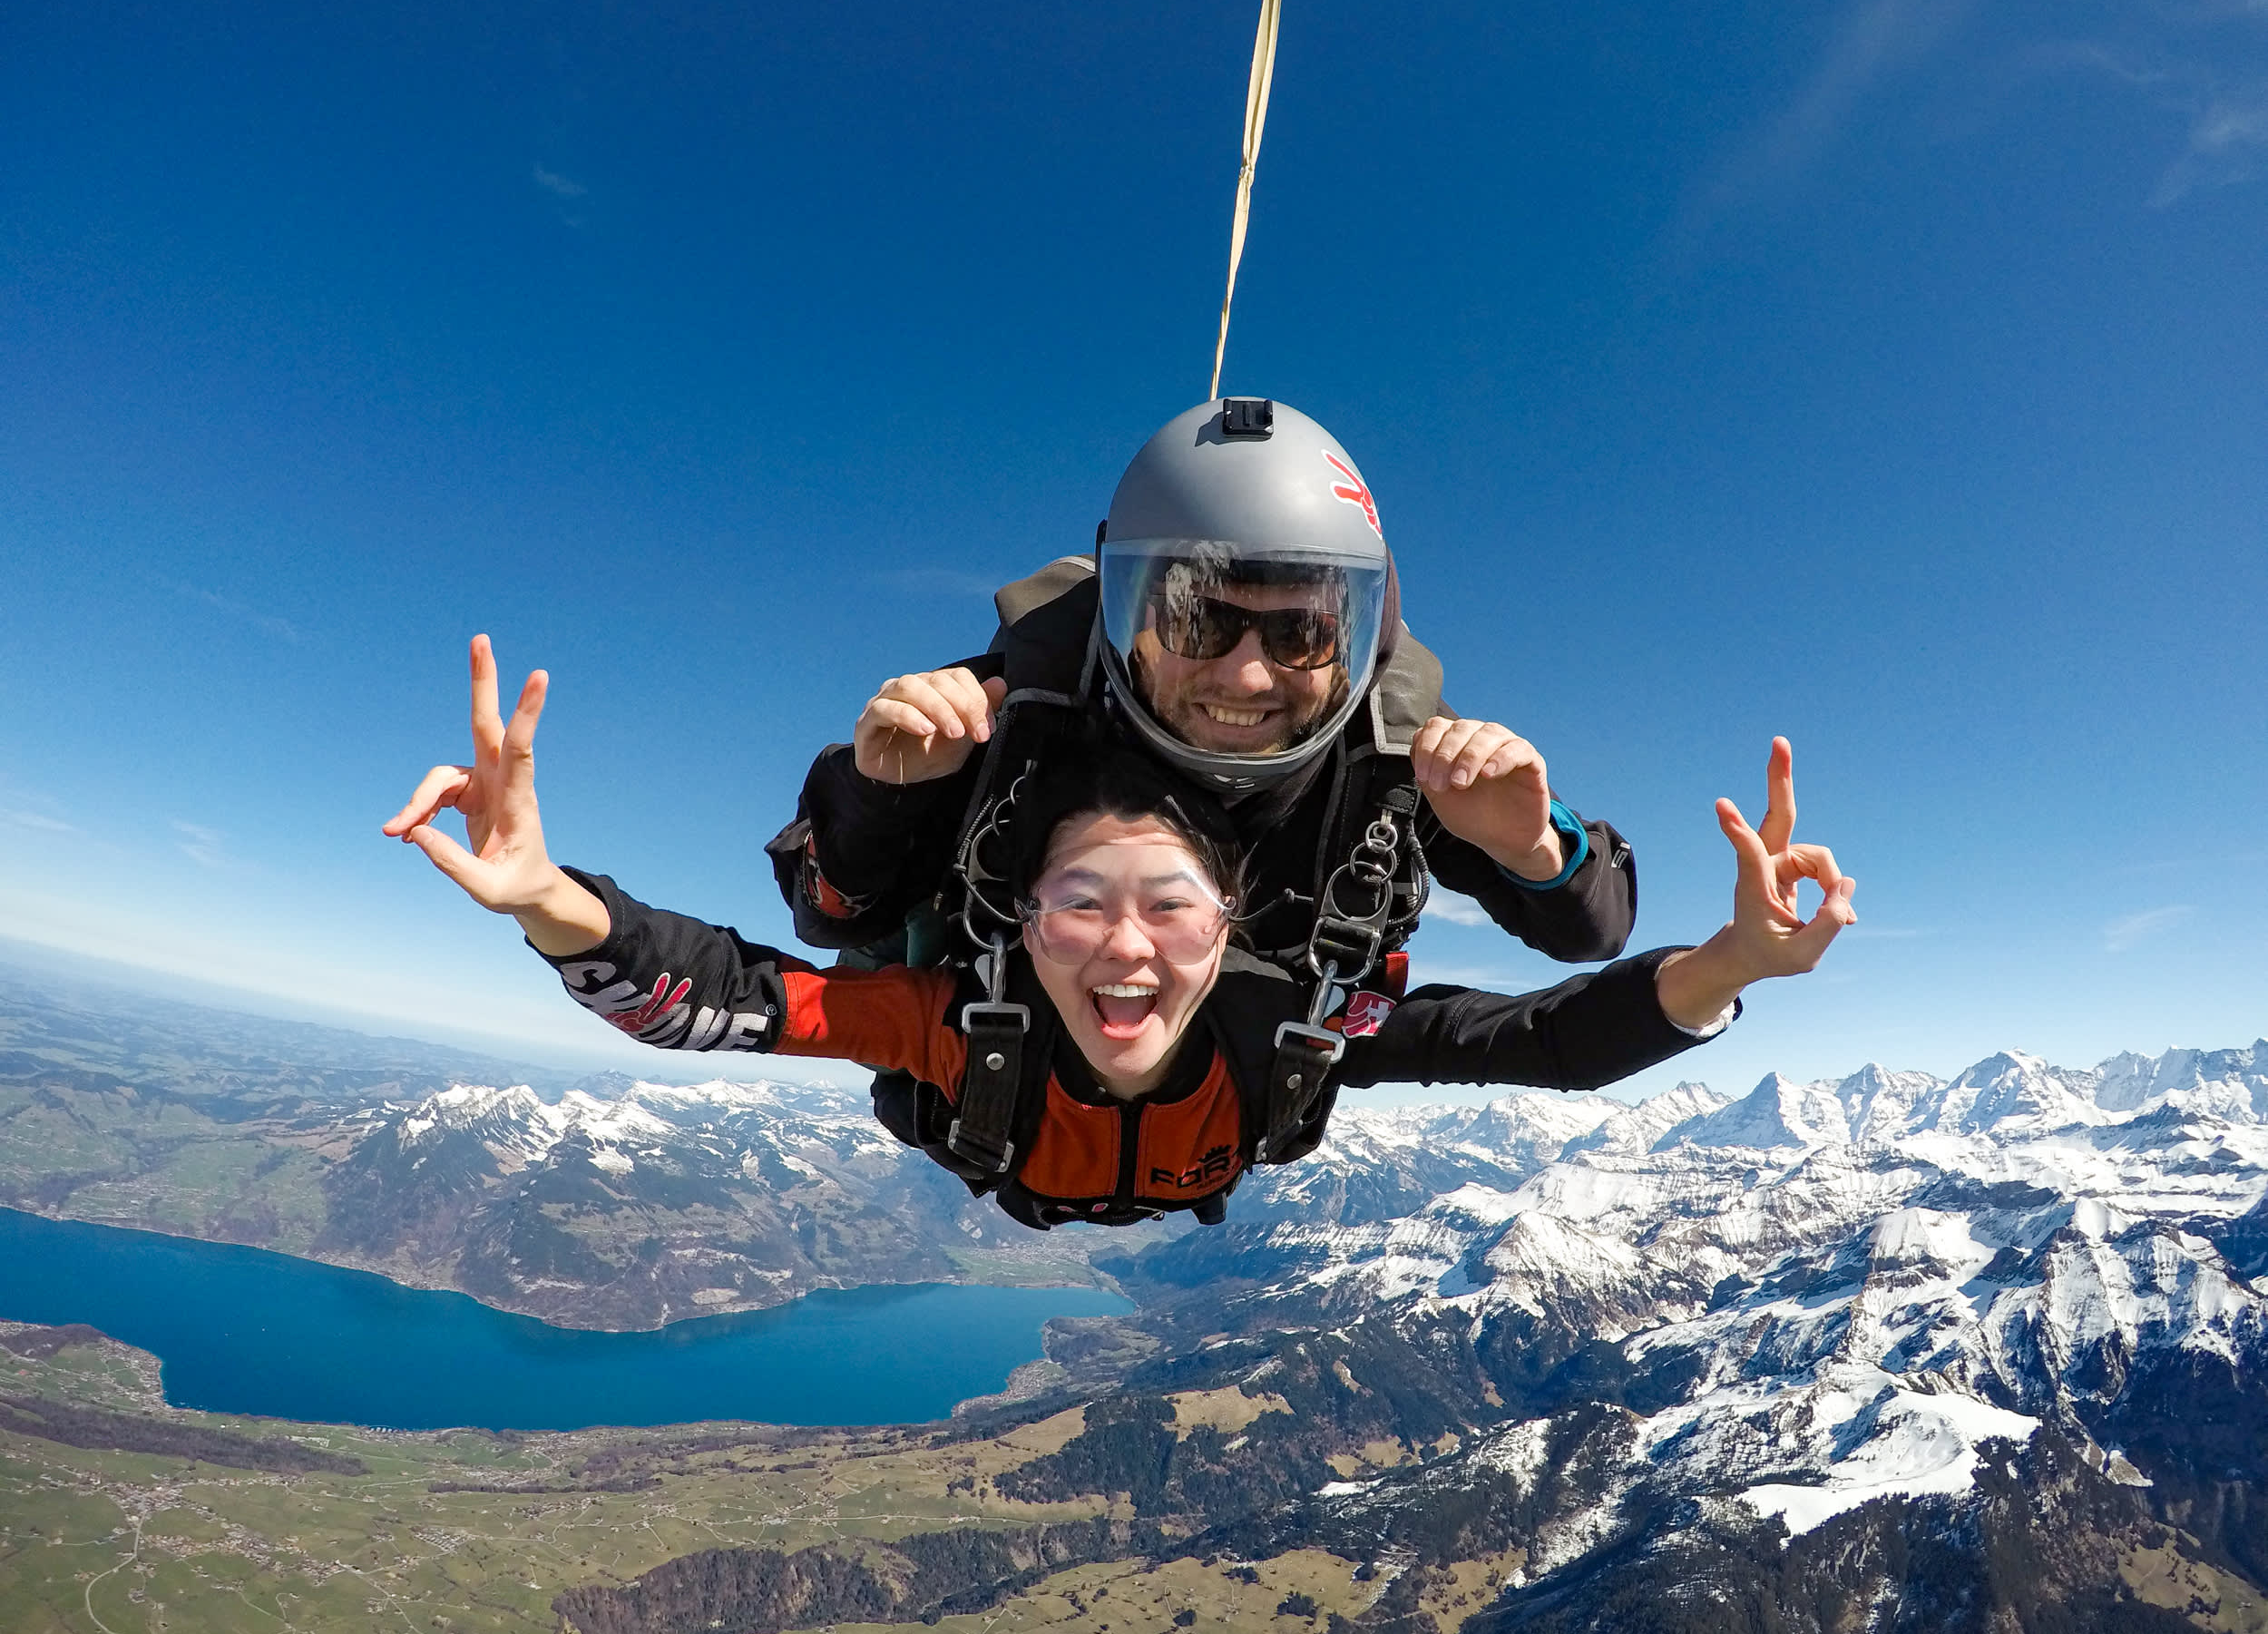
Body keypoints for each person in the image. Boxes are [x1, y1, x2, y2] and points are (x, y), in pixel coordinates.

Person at [385, 639, 1857, 1230]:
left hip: (1134, 1144)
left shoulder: (1290, 1026)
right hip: (1024, 1154)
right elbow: (732, 997)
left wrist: (1737, 966)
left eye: (1168, 910)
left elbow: (1539, 1042)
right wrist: (547, 900)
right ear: (1025, 927)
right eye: (1082, 905)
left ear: (1231, 935)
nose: (1126, 952)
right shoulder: (962, 1026)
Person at [769, 398, 1639, 996]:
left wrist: (1536, 849)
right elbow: (830, 912)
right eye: (1195, 619)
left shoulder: (1405, 754)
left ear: (1359, 645)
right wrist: (880, 797)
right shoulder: (1008, 712)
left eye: (1302, 634)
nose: (1248, 676)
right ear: (1126, 619)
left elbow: (1592, 929)